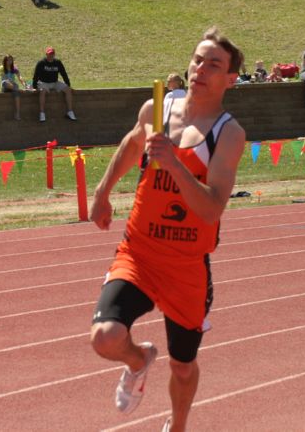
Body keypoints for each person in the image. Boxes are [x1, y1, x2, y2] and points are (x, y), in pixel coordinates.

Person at [89, 27, 246, 432]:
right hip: (138, 252)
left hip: (186, 266)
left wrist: (174, 164)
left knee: (182, 364)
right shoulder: (158, 108)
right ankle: (139, 359)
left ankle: (178, 425)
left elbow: (211, 208)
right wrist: (103, 192)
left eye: (215, 64)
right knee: (104, 337)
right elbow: (131, 144)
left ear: (231, 78)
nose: (201, 69)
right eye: (198, 60)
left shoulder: (227, 134)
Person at [32, 46, 76, 122]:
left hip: (55, 82)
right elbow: (36, 75)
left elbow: (64, 74)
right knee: (42, 91)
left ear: (54, 54)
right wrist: (35, 87)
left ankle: (70, 112)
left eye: (52, 54)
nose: (51, 56)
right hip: (43, 82)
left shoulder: (58, 62)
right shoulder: (41, 63)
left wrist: (68, 85)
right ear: (46, 54)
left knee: (68, 90)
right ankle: (42, 113)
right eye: (49, 54)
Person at [0, 54, 28, 121]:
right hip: (6, 86)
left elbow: (19, 77)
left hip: (13, 87)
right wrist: (11, 84)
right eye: (8, 60)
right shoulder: (2, 68)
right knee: (5, 82)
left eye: (11, 60)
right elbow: (3, 78)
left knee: (16, 92)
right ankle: (18, 89)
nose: (10, 61)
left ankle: (17, 113)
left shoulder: (14, 68)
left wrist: (24, 83)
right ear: (5, 61)